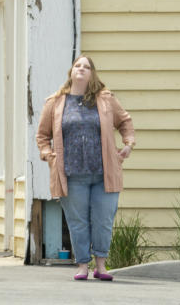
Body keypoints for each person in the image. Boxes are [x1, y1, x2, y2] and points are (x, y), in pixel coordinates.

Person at [36, 55, 136, 280]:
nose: (81, 69)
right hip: (71, 175)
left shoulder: (106, 100)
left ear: (92, 74)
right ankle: (82, 266)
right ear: (71, 72)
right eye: (77, 65)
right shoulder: (55, 102)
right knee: (78, 222)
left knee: (103, 220)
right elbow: (42, 135)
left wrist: (128, 145)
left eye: (86, 66)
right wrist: (47, 154)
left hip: (104, 174)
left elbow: (125, 122)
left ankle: (101, 266)